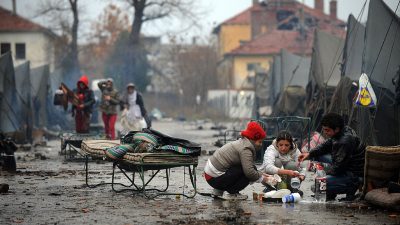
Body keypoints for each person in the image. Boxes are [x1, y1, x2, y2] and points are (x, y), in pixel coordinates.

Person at [298, 113, 366, 201]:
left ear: (336, 129)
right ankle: (331, 189)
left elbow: (338, 168)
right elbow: (325, 145)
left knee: (316, 186)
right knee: (317, 155)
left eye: (327, 130)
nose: (325, 133)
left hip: (353, 174)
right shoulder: (342, 131)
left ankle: (349, 188)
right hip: (345, 164)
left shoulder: (344, 141)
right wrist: (309, 154)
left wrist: (324, 175)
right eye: (324, 130)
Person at [204, 121, 272, 200]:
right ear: (253, 139)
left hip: (210, 175)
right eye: (260, 142)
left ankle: (218, 190)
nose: (261, 144)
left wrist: (261, 174)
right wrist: (264, 179)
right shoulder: (246, 149)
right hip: (214, 178)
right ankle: (233, 193)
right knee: (247, 173)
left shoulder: (242, 142)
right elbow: (249, 172)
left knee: (248, 168)